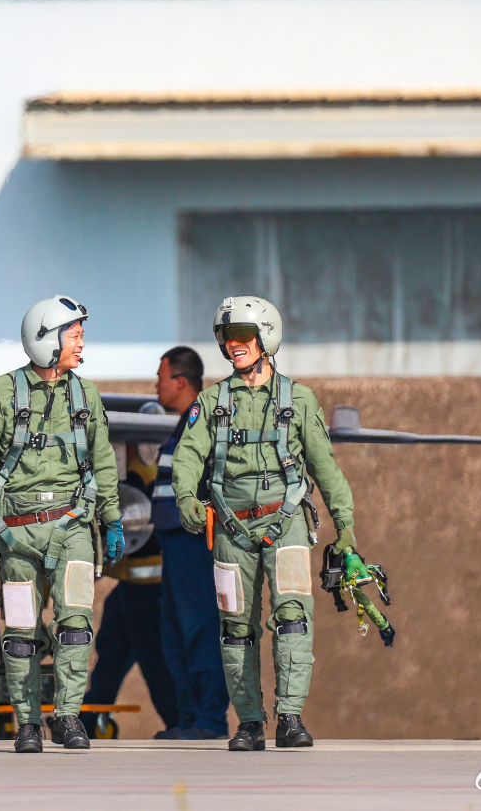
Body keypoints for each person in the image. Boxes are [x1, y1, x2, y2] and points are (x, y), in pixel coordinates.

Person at [171, 296, 358, 751]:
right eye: (227, 338)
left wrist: (346, 527)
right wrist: (185, 496)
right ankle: (250, 723)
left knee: (293, 619)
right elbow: (188, 454)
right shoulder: (211, 401)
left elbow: (325, 467)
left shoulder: (300, 399)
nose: (234, 346)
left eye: (243, 337)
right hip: (232, 531)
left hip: (288, 521)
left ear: (265, 338)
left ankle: (290, 718)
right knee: (235, 628)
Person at [0, 295, 123, 754]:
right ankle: (28, 724)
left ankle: (68, 717)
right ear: (47, 338)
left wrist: (112, 519)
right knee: (22, 633)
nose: (82, 340)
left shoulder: (87, 395)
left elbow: (103, 460)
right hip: (16, 533)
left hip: (73, 530)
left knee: (75, 626)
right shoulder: (1, 393)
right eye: (75, 332)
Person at [149, 346, 230, 740]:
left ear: (180, 382)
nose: (156, 386)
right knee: (175, 633)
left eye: (161, 377)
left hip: (194, 543)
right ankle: (188, 717)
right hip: (174, 546)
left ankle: (210, 719)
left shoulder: (202, 423)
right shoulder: (185, 423)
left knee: (199, 628)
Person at [78, 485, 180, 737]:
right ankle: (90, 718)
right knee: (112, 650)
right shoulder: (132, 465)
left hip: (150, 587)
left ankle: (177, 720)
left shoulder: (149, 466)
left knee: (154, 657)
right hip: (130, 584)